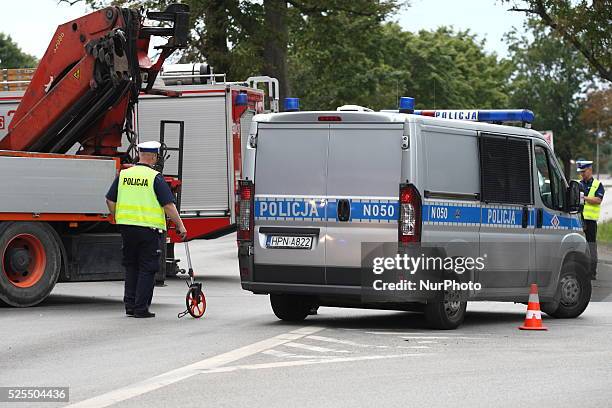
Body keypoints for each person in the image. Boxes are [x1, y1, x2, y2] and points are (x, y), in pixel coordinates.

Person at [106, 141, 187, 318]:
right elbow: (168, 205)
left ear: (140, 155)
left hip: (127, 228)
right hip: (148, 230)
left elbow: (110, 200)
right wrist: (180, 226)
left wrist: (117, 217)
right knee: (147, 268)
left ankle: (130, 306)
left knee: (131, 266)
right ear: (153, 157)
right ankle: (141, 309)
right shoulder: (154, 177)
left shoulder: (124, 175)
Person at [577, 160, 604, 280]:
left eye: (584, 171)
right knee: (579, 246)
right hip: (579, 219)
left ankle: (592, 272)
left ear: (590, 170)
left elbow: (598, 200)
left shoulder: (597, 184)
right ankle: (581, 270)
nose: (582, 174)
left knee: (591, 246)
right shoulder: (578, 184)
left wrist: (584, 198)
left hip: (591, 221)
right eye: (581, 172)